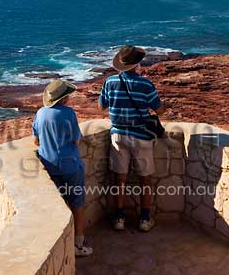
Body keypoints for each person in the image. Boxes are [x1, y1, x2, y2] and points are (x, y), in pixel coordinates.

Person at [99, 45, 165, 232]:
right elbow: (159, 110)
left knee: (119, 179)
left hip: (118, 135)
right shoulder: (145, 84)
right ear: (137, 64)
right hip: (141, 136)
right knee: (145, 179)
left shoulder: (110, 81)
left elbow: (101, 106)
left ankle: (119, 218)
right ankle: (144, 219)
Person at [33, 79, 93, 257]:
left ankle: (60, 248)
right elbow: (76, 140)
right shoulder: (68, 113)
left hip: (49, 166)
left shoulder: (40, 113)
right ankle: (78, 244)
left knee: (58, 206)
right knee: (77, 204)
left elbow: (36, 141)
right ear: (64, 98)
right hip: (70, 165)